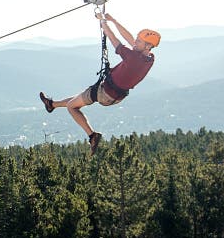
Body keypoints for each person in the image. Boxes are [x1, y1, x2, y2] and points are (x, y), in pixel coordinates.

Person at [38, 12, 159, 155]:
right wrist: (113, 19)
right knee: (78, 99)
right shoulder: (149, 57)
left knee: (72, 107)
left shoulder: (134, 58)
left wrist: (103, 23)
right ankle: (51, 105)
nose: (135, 42)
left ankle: (92, 135)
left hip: (105, 93)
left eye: (139, 42)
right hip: (114, 94)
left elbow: (115, 40)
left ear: (147, 46)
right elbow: (129, 38)